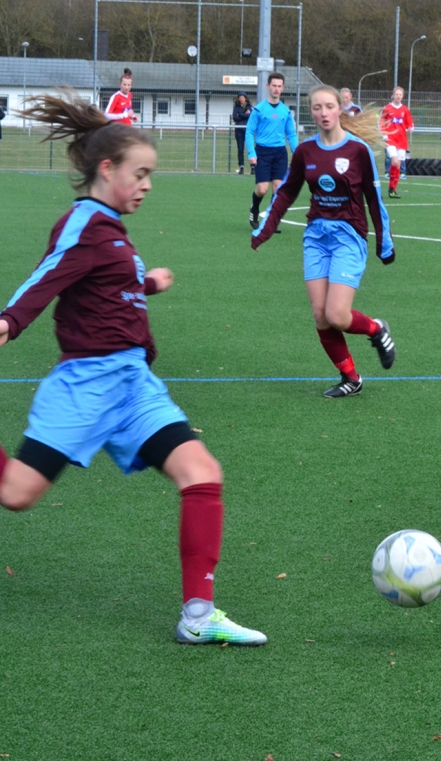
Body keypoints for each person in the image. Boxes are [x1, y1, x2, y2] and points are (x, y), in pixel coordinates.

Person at [0, 94, 266, 645]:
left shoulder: (110, 226)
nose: (146, 185)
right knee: (15, 493)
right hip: (87, 384)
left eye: (151, 176)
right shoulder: (83, 223)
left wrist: (146, 284)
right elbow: (45, 280)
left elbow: (106, 284)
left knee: (202, 473)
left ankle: (198, 617)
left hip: (133, 386)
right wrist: (7, 322)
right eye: (139, 174)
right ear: (107, 168)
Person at [251, 85, 396, 399]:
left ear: (339, 109)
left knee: (337, 315)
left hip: (349, 236)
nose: (324, 113)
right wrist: (265, 229)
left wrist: (384, 243)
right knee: (320, 315)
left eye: (329, 106)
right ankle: (351, 378)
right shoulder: (306, 151)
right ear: (311, 113)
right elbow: (286, 192)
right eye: (317, 108)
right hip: (316, 237)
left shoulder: (358, 150)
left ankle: (376, 329)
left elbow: (374, 198)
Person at [247, 72, 298, 229]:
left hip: (280, 153)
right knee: (262, 189)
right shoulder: (259, 109)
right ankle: (254, 209)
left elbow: (291, 134)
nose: (276, 89)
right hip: (262, 152)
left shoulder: (286, 111)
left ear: (283, 88)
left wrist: (297, 153)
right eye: (274, 85)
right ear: (268, 86)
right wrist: (251, 153)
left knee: (278, 189)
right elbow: (249, 132)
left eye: (279, 86)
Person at [380, 87, 414, 199]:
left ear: (402, 96)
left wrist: (411, 127)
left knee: (398, 165)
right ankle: (391, 189)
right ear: (393, 95)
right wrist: (384, 134)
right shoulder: (387, 108)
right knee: (394, 161)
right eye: (396, 94)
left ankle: (393, 189)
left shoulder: (405, 109)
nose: (398, 96)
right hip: (390, 139)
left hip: (401, 140)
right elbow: (381, 121)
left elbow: (409, 122)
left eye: (400, 94)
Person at [231, 92, 252, 175]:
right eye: (240, 98)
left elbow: (250, 116)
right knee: (240, 149)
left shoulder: (249, 106)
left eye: (242, 97)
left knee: (250, 148)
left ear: (245, 98)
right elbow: (234, 117)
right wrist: (244, 115)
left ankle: (253, 166)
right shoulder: (236, 107)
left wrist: (240, 115)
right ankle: (241, 167)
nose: (241, 99)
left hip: (248, 130)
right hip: (239, 130)